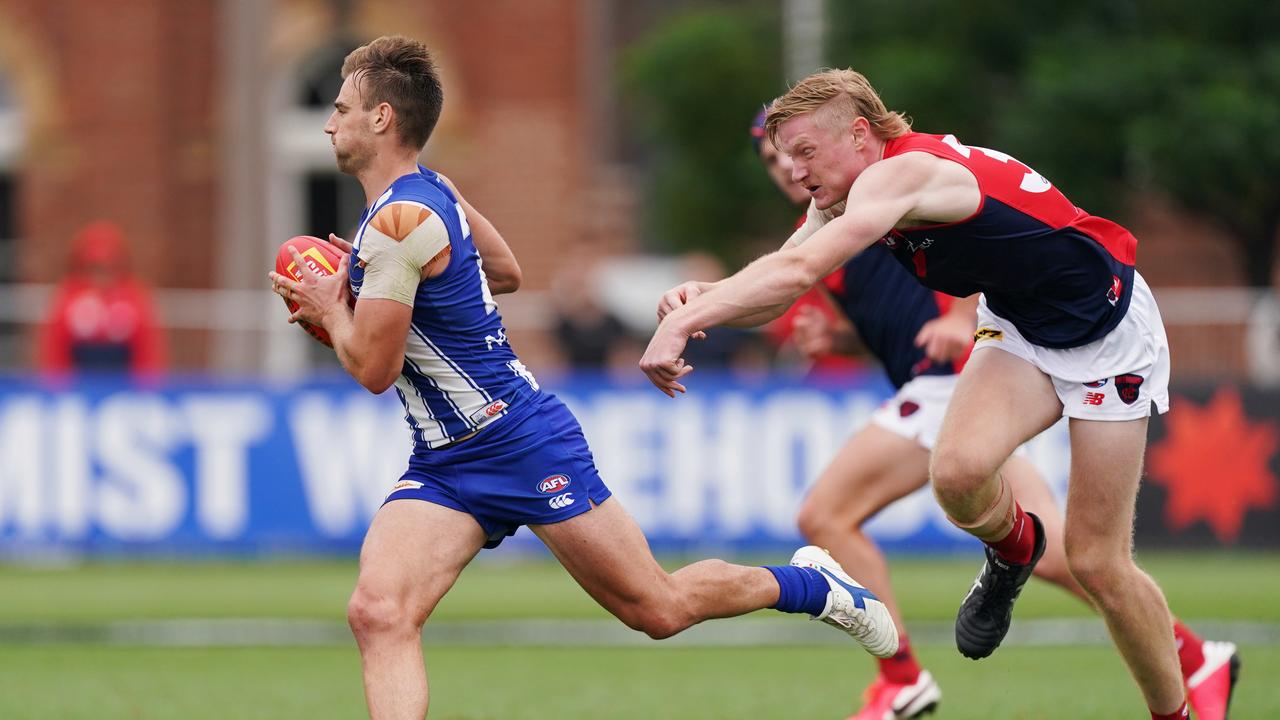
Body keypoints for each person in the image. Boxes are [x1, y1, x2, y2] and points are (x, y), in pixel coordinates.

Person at [267, 37, 898, 719]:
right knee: (378, 611)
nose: (330, 122)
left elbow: (373, 369)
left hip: (517, 441)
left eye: (342, 108)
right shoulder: (427, 198)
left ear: (383, 118)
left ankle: (811, 585)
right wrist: (376, 287)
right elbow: (502, 273)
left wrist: (338, 311)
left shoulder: (395, 224)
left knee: (657, 608)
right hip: (448, 459)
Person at [642, 69, 1240, 720]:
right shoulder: (845, 193)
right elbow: (781, 283)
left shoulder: (901, 174)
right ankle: (1012, 552)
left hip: (1110, 333)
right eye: (785, 157)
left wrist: (682, 322)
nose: (795, 170)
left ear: (861, 135)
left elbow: (798, 269)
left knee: (1098, 563)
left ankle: (1176, 707)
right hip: (1021, 327)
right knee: (956, 474)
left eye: (805, 152)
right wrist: (704, 303)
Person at [37, 220, 166, 379]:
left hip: (122, 380)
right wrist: (57, 382)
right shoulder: (69, 294)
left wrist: (145, 383)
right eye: (95, 268)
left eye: (108, 268)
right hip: (79, 379)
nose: (101, 277)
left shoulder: (134, 295)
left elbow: (147, 347)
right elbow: (55, 345)